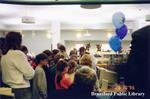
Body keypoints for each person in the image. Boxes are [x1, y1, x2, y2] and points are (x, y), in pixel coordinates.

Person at [1, 32, 35, 99]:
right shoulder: (18, 54)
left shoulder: (4, 55)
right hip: (20, 89)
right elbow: (30, 74)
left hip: (7, 88)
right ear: (18, 41)